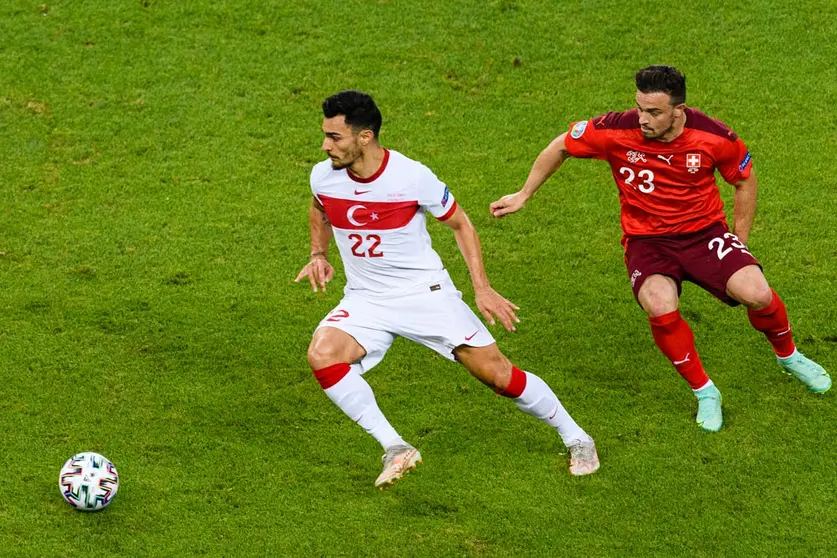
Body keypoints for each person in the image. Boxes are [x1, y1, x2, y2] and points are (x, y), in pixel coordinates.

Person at [490, 65, 831, 433]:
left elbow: (744, 179)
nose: (643, 119)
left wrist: (739, 241)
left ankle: (790, 356)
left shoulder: (714, 137)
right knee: (659, 304)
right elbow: (560, 145)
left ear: (678, 111)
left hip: (704, 234)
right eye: (639, 108)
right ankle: (705, 392)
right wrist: (524, 193)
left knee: (757, 292)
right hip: (647, 242)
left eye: (653, 112)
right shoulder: (615, 129)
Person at [295, 90, 599, 488]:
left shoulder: (411, 176)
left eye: (335, 137)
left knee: (499, 376)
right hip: (366, 299)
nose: (325, 145)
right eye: (325, 135)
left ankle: (577, 437)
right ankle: (395, 447)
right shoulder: (324, 175)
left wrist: (483, 288)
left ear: (364, 137)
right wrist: (319, 254)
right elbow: (319, 207)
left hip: (425, 295)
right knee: (323, 353)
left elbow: (461, 225)